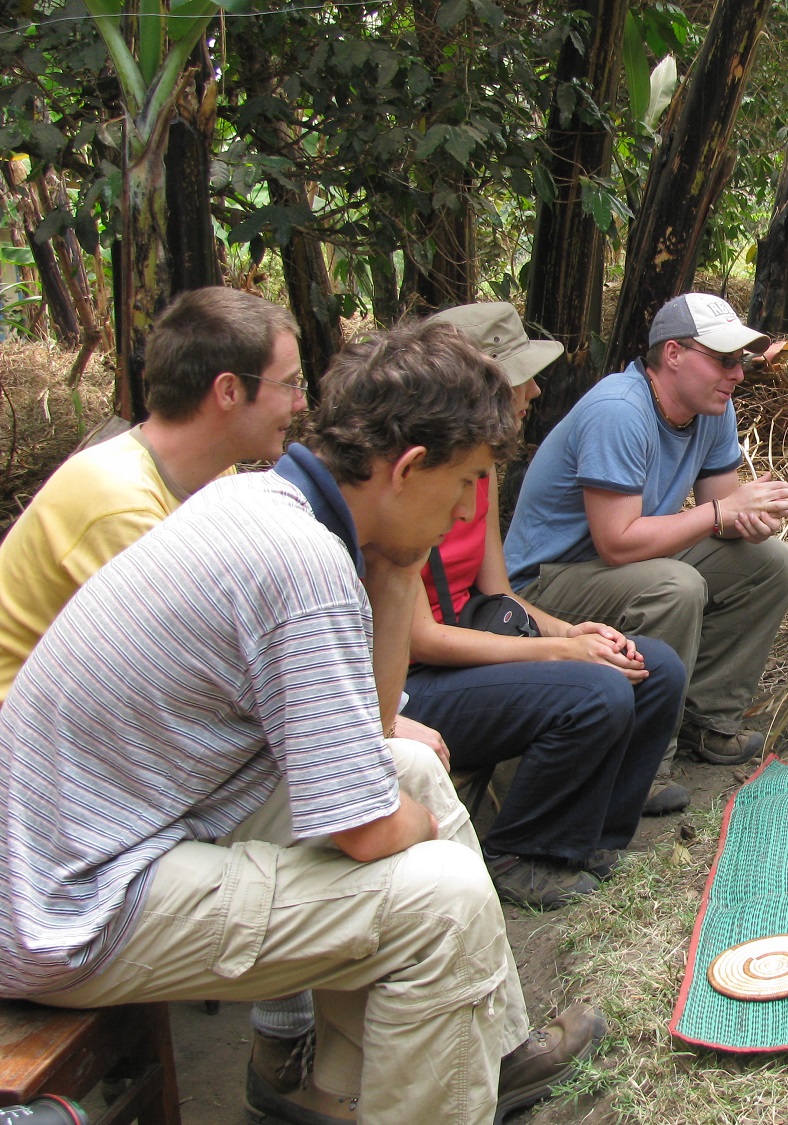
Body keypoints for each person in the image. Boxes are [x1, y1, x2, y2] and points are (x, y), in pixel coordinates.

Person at [0, 319, 603, 1125]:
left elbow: (377, 730)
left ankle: (375, 1088)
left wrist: (397, 575)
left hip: (108, 842)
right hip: (71, 904)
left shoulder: (268, 500)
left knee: (412, 771)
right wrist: (416, 829)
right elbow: (365, 828)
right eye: (466, 481)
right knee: (443, 896)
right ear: (408, 468)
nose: (467, 507)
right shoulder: (301, 563)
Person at [403, 302, 686, 909]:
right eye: (518, 379)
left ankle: (591, 839)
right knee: (594, 689)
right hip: (416, 680)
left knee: (651, 666)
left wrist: (577, 631)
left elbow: (498, 594)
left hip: (470, 646)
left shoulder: (480, 471)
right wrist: (564, 651)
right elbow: (419, 639)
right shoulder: (408, 480)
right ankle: (522, 852)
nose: (533, 389)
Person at [504, 293, 788, 814]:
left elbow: (720, 510)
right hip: (545, 584)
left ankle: (707, 721)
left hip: (620, 567)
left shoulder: (713, 408)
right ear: (672, 354)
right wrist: (723, 514)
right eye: (724, 360)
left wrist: (752, 520)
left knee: (772, 564)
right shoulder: (620, 410)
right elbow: (617, 542)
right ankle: (639, 765)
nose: (737, 374)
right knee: (675, 586)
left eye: (742, 362)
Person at [0, 286, 305, 701]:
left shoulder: (216, 476)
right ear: (229, 391)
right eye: (288, 384)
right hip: (33, 744)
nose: (301, 403)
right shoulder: (119, 505)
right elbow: (192, 672)